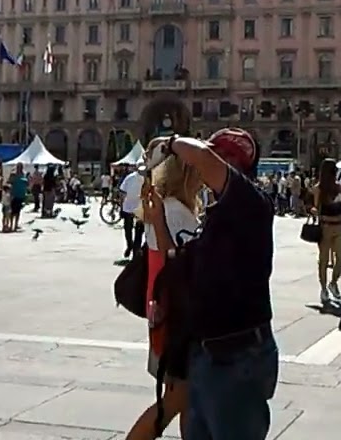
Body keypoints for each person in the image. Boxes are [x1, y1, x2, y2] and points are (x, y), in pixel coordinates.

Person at [145, 129, 277, 440]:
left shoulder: (251, 202)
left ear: (234, 163)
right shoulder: (216, 217)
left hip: (237, 355)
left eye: (220, 156)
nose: (203, 166)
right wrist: (158, 221)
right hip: (205, 354)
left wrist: (170, 143)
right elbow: (177, 260)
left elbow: (203, 158)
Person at [127, 144, 202, 440]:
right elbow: (179, 260)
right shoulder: (174, 211)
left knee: (187, 401)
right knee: (175, 400)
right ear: (185, 172)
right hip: (176, 315)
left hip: (166, 309)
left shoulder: (167, 206)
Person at [312, 157, 341, 305]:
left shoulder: (340, 187)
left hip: (338, 226)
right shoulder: (318, 188)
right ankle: (323, 289)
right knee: (324, 260)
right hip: (326, 226)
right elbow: (315, 207)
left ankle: (333, 283)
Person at [119, 166, 147, 258]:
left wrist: (121, 206)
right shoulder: (131, 178)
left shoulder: (132, 178)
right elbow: (122, 192)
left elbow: (122, 193)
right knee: (133, 230)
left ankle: (133, 248)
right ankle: (132, 247)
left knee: (133, 230)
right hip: (134, 208)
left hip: (134, 208)